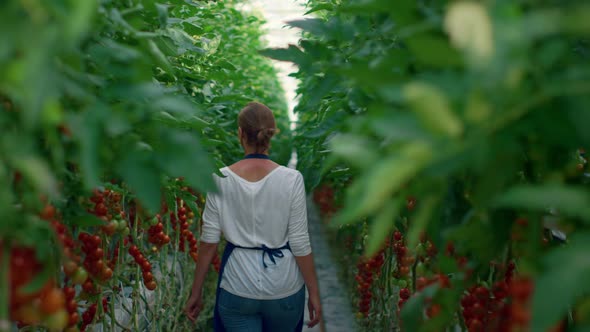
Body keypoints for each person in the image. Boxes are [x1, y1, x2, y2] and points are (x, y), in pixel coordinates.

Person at [184, 102, 322, 331]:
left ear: (240, 133)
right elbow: (299, 242)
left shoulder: (219, 178)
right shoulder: (292, 179)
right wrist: (314, 293)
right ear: (272, 134)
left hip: (237, 286)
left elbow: (209, 242)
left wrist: (195, 292)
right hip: (284, 287)